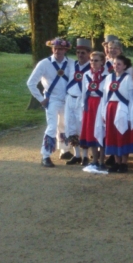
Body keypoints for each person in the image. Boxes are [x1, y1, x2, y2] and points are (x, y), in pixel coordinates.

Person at [27, 38, 73, 167]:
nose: (58, 51)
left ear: (65, 50)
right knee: (52, 126)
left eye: (61, 49)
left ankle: (64, 150)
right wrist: (41, 99)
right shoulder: (44, 64)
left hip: (67, 100)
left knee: (65, 125)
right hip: (51, 100)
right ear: (52, 49)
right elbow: (31, 83)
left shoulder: (71, 63)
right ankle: (45, 156)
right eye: (55, 48)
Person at [95, 55, 133, 173]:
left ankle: (124, 163)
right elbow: (105, 97)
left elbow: (131, 99)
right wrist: (103, 112)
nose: (116, 66)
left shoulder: (128, 78)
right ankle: (116, 161)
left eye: (119, 64)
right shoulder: (108, 78)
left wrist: (130, 115)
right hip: (110, 108)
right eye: (115, 64)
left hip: (122, 109)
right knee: (112, 135)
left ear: (125, 66)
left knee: (122, 134)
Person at [64, 38, 91, 166]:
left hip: (82, 99)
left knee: (83, 126)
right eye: (78, 52)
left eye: (83, 53)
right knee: (71, 126)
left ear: (89, 54)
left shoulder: (92, 67)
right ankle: (77, 154)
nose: (80, 55)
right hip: (70, 98)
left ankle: (85, 155)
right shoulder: (72, 65)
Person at [80, 51, 109, 170]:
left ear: (102, 62)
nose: (93, 63)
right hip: (90, 105)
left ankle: (102, 160)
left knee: (101, 131)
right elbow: (83, 92)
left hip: (100, 104)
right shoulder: (86, 74)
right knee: (91, 131)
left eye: (96, 60)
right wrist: (83, 107)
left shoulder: (107, 75)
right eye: (91, 60)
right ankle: (94, 160)